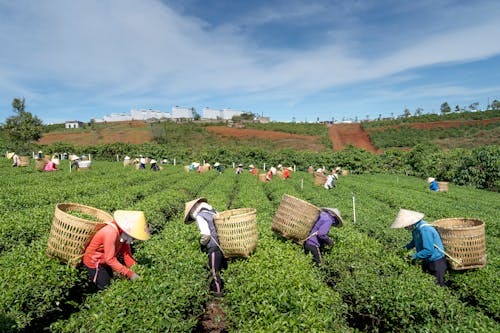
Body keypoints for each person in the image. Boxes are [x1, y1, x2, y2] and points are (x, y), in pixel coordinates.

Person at [83, 210, 150, 291]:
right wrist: (130, 274)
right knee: (105, 288)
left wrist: (135, 268)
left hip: (104, 260)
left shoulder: (124, 233)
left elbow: (126, 254)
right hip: (94, 262)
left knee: (111, 283)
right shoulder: (110, 233)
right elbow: (110, 259)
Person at [391, 209, 447, 287]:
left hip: (436, 261)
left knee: (438, 285)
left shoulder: (425, 230)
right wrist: (402, 250)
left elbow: (429, 250)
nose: (405, 228)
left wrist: (413, 256)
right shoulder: (416, 229)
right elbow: (414, 242)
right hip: (426, 259)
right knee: (427, 282)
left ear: (410, 223)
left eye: (405, 226)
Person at [184, 198, 227, 297]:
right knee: (221, 268)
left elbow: (206, 234)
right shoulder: (213, 211)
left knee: (214, 272)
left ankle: (218, 294)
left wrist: (202, 244)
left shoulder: (200, 216)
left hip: (213, 247)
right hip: (223, 244)